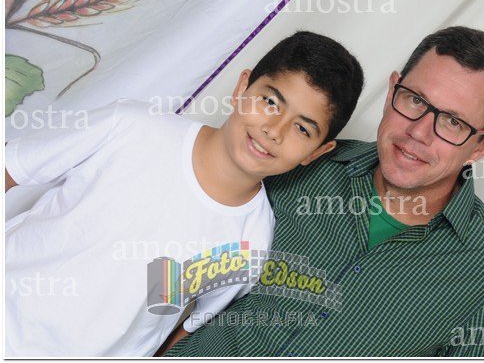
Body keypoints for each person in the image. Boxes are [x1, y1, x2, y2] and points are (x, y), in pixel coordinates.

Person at [164, 26, 484, 357]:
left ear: (483, 147)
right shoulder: (301, 158)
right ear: (392, 91)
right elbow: (180, 262)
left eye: (452, 122)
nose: (418, 132)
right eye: (415, 100)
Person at [4, 31, 364, 357]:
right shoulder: (132, 126)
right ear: (242, 87)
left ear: (317, 152)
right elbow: (12, 169)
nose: (274, 130)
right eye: (270, 102)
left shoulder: (251, 243)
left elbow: (185, 328)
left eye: (302, 129)